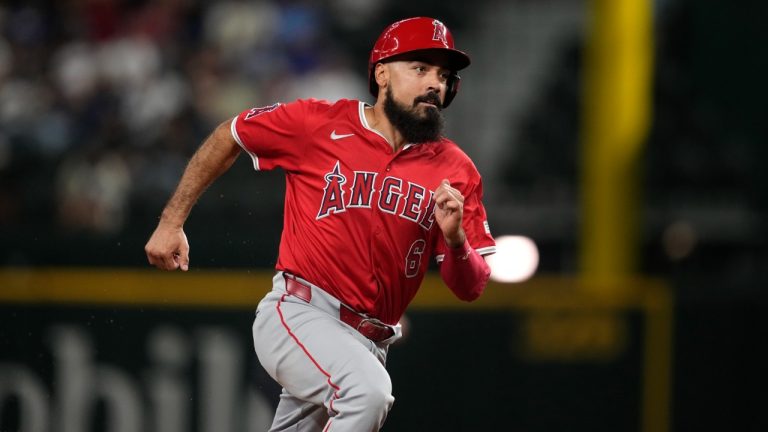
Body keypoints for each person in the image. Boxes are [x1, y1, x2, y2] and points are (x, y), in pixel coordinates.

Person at [145, 16, 496, 432]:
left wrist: (456, 241)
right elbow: (230, 135)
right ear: (381, 73)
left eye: (443, 75)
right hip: (300, 313)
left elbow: (470, 286)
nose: (434, 84)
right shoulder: (319, 124)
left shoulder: (456, 169)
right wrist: (172, 222)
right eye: (420, 69)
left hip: (371, 341)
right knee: (367, 394)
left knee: (360, 389)